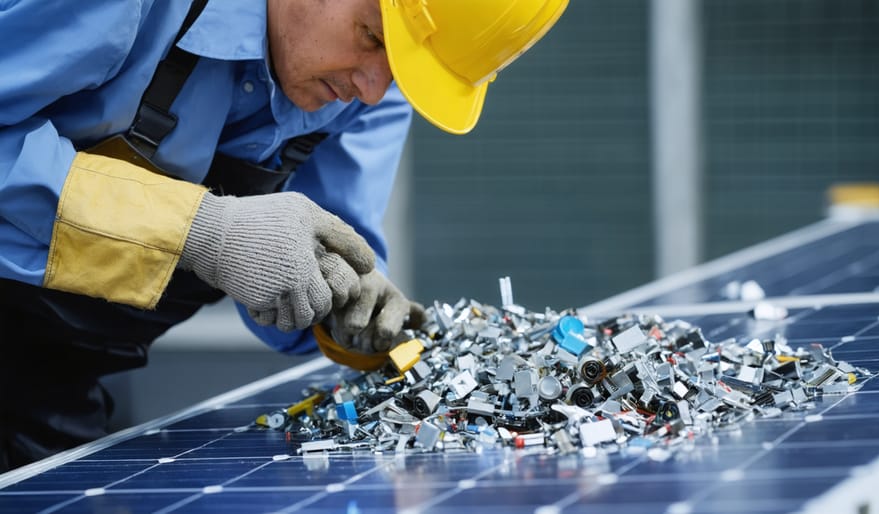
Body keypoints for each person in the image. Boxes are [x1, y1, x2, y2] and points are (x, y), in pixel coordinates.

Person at [0, 0, 568, 471]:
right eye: (371, 36)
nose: (372, 89)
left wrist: (346, 308)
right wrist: (200, 230)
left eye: (402, 71)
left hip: (62, 370)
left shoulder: (367, 90)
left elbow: (322, 260)